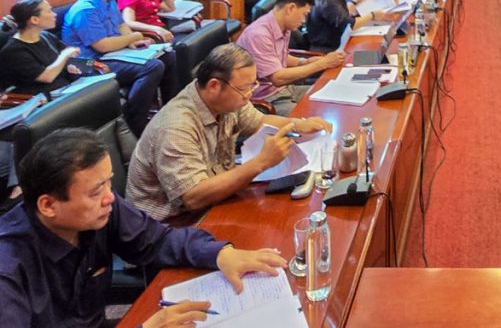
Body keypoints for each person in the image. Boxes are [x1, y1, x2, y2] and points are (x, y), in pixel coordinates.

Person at [0, 128, 287, 327]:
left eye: (109, 182)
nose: (110, 197)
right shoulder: (8, 270)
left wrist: (220, 254)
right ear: (48, 205)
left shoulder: (101, 209)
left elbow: (157, 240)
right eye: (96, 190)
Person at [127, 45, 332, 221]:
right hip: (171, 223)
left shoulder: (223, 98)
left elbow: (258, 120)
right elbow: (193, 197)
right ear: (214, 86)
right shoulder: (175, 127)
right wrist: (262, 161)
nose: (249, 94)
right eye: (245, 89)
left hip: (213, 197)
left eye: (252, 85)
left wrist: (298, 125)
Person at [62, 0, 178, 137]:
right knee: (152, 67)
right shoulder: (85, 10)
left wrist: (134, 42)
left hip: (112, 54)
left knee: (168, 55)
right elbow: (102, 45)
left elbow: (121, 25)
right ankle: (135, 123)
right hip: (89, 63)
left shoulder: (108, 0)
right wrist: (134, 37)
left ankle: (169, 112)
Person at [235, 0, 345, 116]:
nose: (304, 21)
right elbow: (277, 78)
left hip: (285, 89)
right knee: (316, 118)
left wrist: (303, 62)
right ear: (291, 8)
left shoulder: (283, 26)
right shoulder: (258, 34)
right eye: (304, 14)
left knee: (333, 98)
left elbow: (279, 55)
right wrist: (322, 64)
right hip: (267, 99)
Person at [0, 0, 82, 97]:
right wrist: (65, 55)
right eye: (49, 11)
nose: (54, 14)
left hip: (66, 88)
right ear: (34, 20)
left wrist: (69, 66)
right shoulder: (14, 51)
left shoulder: (45, 35)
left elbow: (67, 58)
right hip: (42, 98)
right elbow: (47, 77)